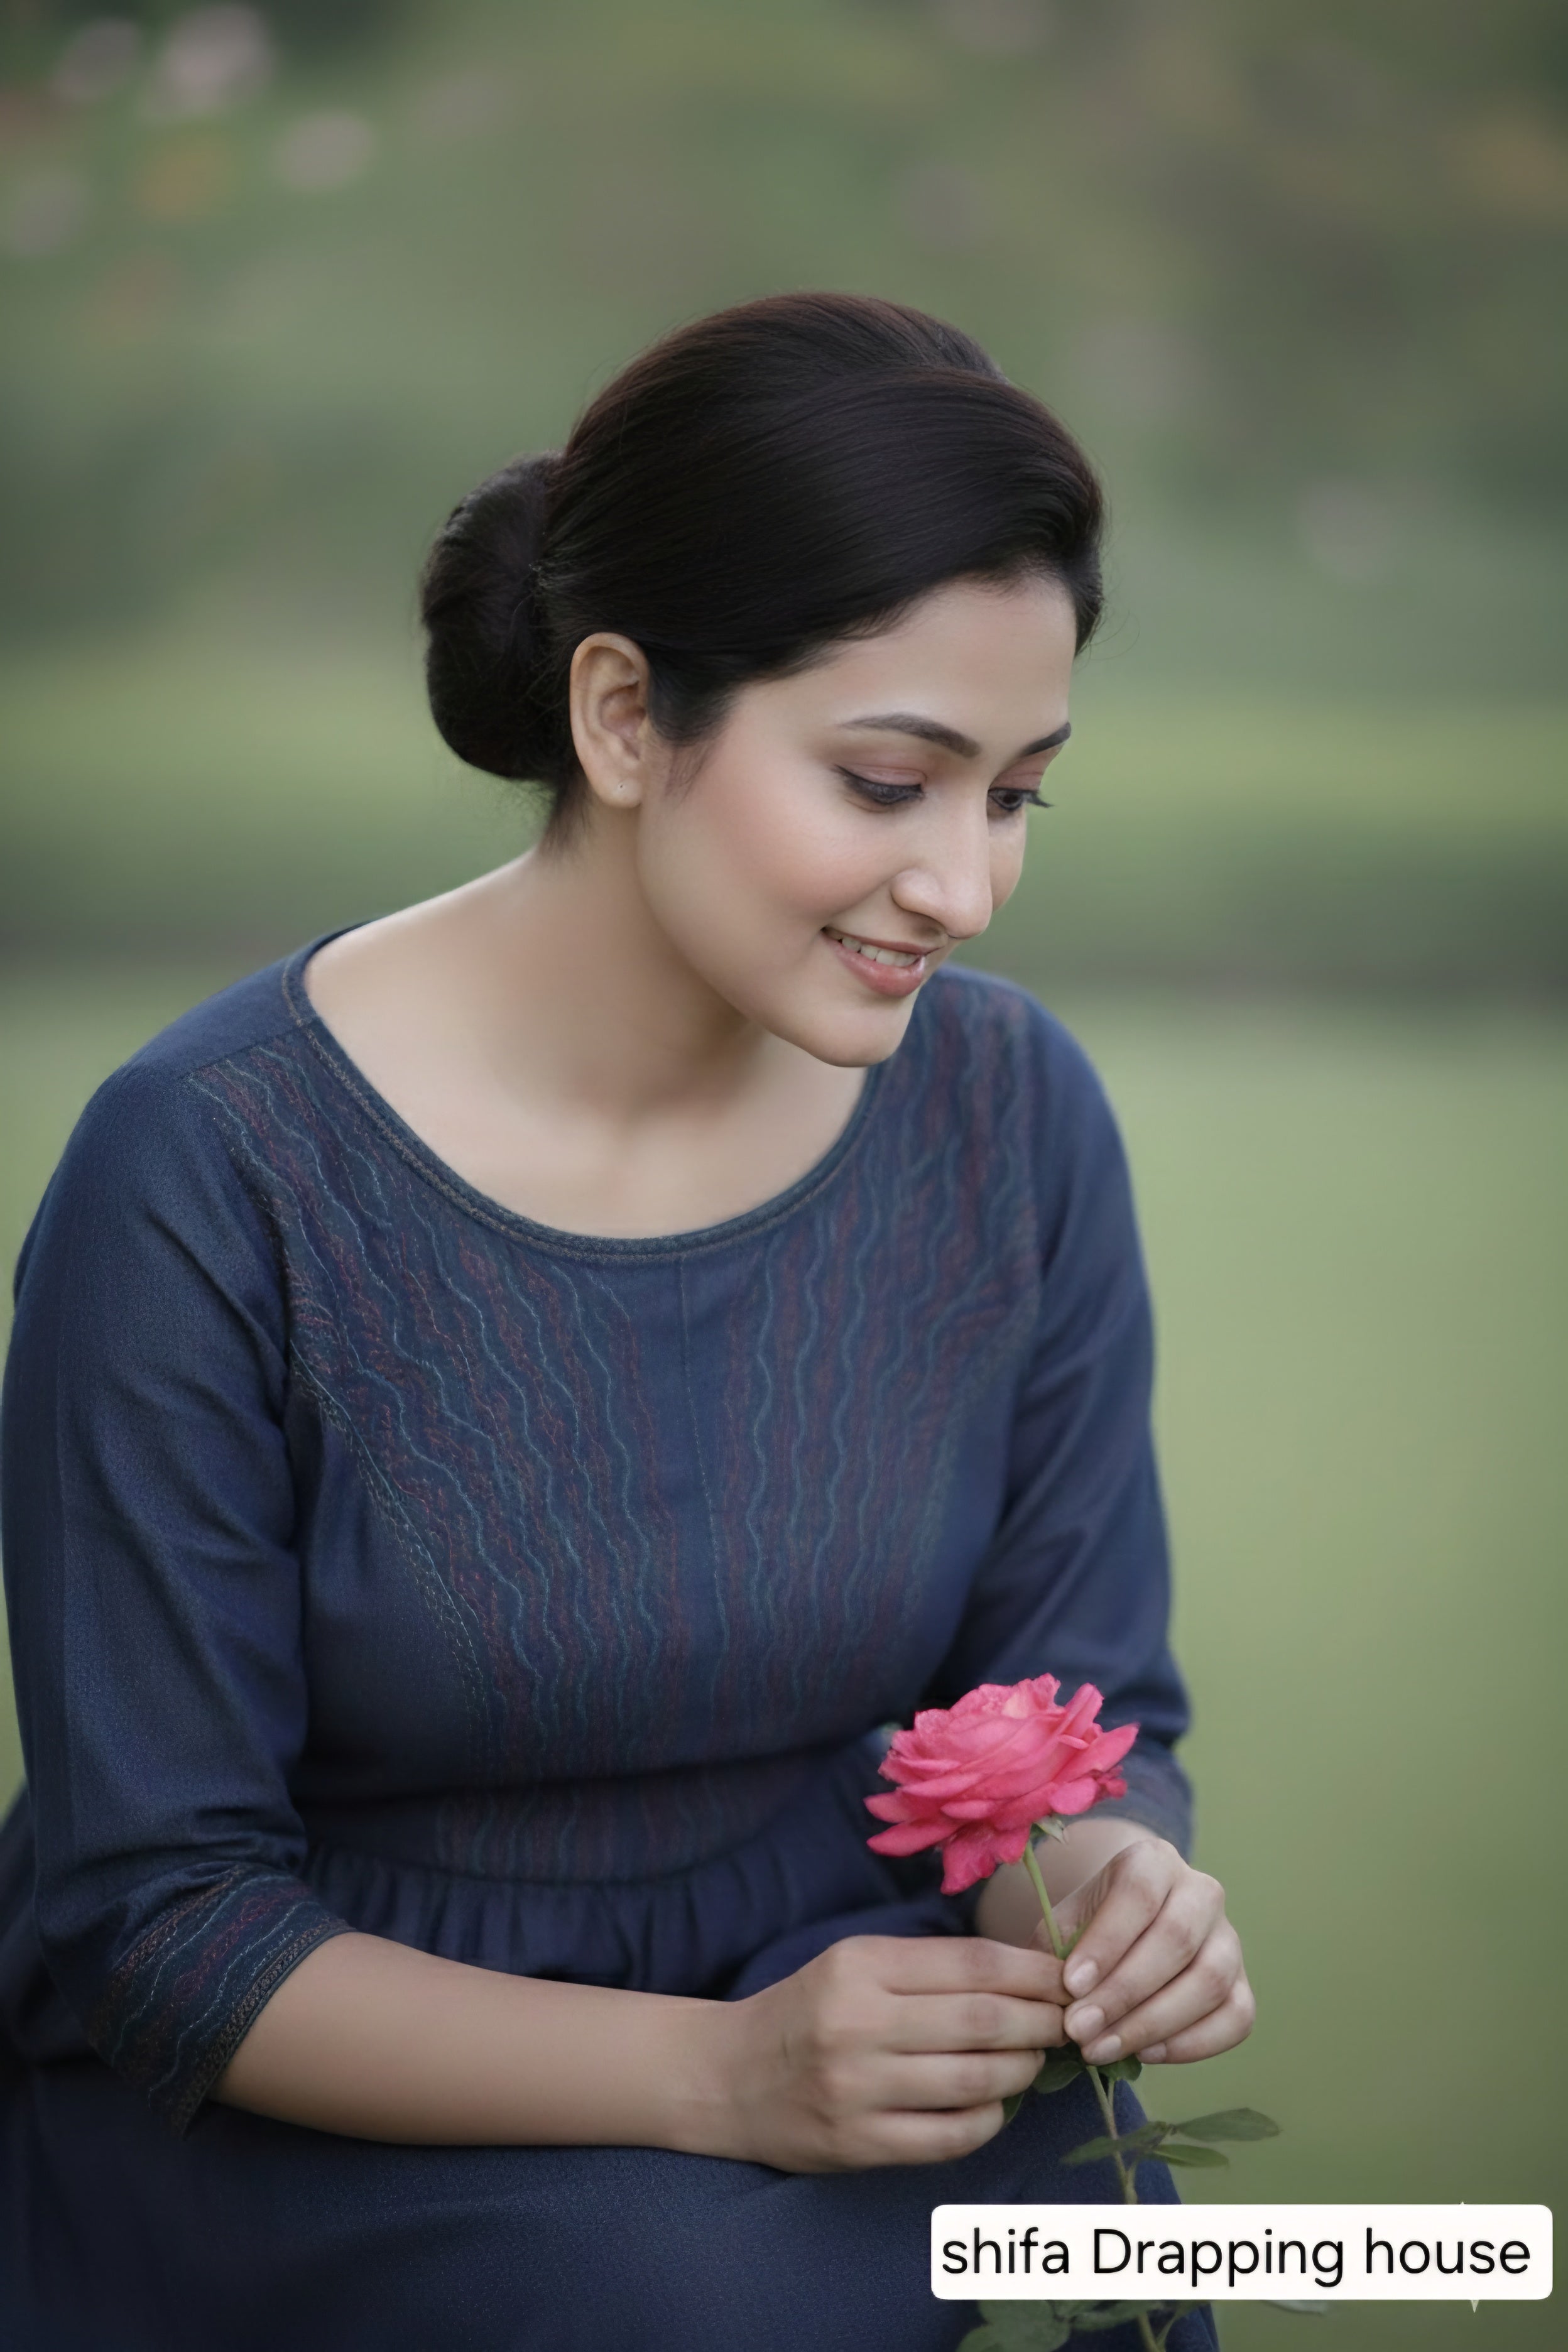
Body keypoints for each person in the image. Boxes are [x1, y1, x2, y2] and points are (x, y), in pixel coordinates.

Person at [0, 293, 1250, 2351]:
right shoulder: (210, 1171)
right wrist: (720, 2077)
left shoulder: (1008, 1118)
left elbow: (1074, 1702)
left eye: (1020, 795)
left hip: (862, 2052)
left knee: (1170, 2272)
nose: (966, 885)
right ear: (619, 716)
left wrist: (1109, 1896)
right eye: (885, 781)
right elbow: (163, 1927)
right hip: (355, 2131)